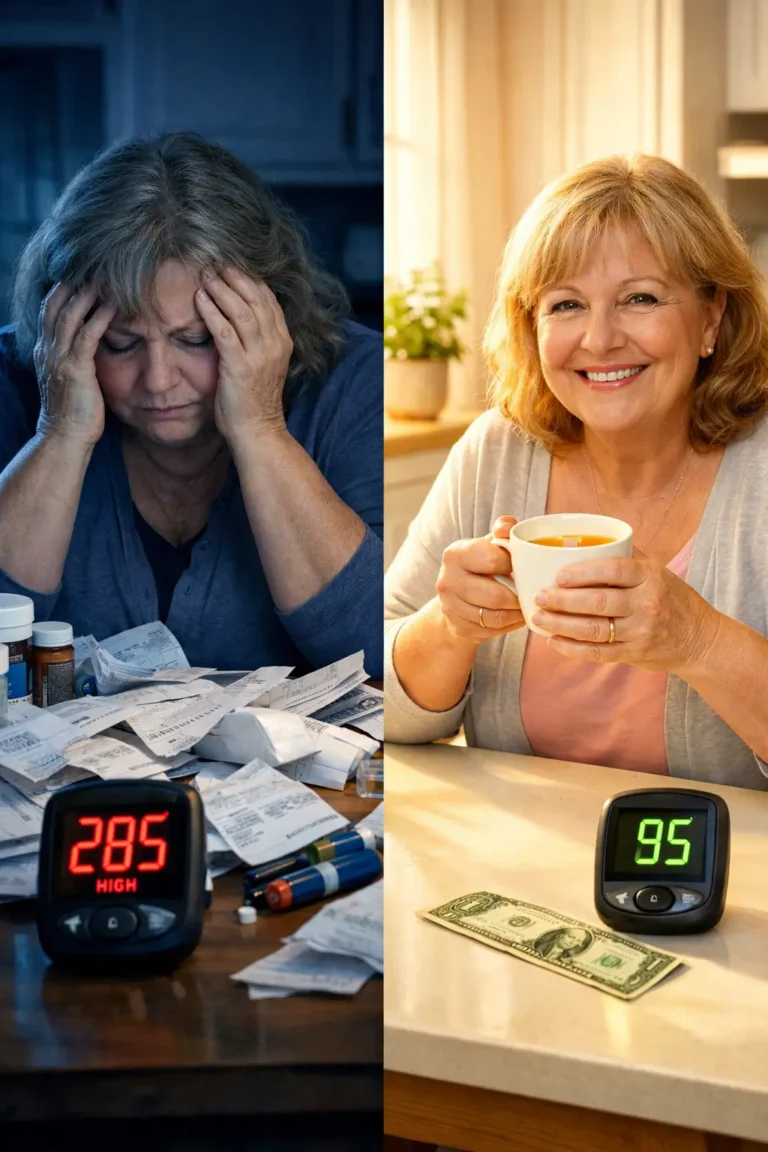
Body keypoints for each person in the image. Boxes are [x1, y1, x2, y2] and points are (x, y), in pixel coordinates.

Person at [385, 154, 768, 788]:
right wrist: (451, 627)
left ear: (711, 318)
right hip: (518, 868)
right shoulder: (496, 453)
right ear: (530, 326)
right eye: (565, 305)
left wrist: (698, 640)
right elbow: (378, 703)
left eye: (639, 298)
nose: (598, 339)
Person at [0, 132, 382, 675]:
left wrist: (261, 427)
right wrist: (58, 431)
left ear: (272, 315)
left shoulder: (356, 381)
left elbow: (376, 652)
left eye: (197, 339)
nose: (158, 380)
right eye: (121, 343)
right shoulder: (16, 378)